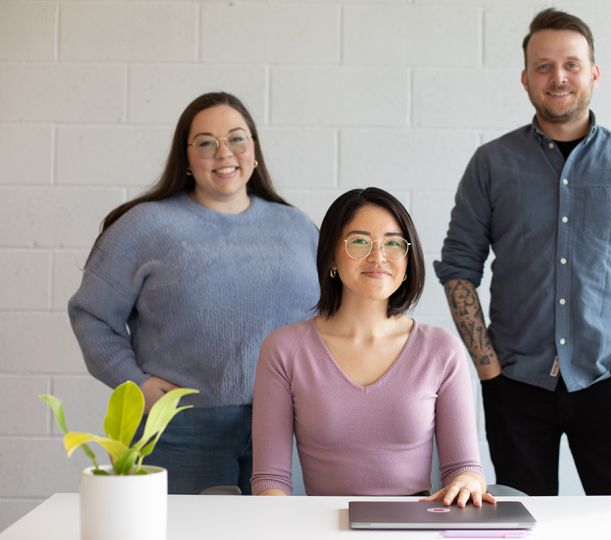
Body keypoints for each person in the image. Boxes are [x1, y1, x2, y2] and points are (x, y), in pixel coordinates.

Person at [434, 8, 611, 496]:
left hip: (607, 383)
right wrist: (490, 373)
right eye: (544, 66)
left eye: (571, 64)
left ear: (593, 72)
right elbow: (459, 269)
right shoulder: (492, 164)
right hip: (515, 387)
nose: (558, 77)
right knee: (520, 524)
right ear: (525, 78)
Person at [68, 91, 320, 494]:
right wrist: (135, 383)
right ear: (185, 158)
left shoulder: (297, 228)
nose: (224, 152)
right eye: (205, 142)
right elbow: (91, 316)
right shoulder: (144, 226)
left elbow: (330, 320)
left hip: (285, 425)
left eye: (237, 138)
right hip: (180, 430)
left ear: (254, 150)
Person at [252, 187, 495, 507]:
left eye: (393, 243)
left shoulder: (440, 349)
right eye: (359, 241)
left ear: (408, 262)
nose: (378, 256)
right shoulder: (283, 349)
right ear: (331, 258)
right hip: (322, 525)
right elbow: (271, 480)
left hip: (415, 524)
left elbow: (464, 468)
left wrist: (466, 482)